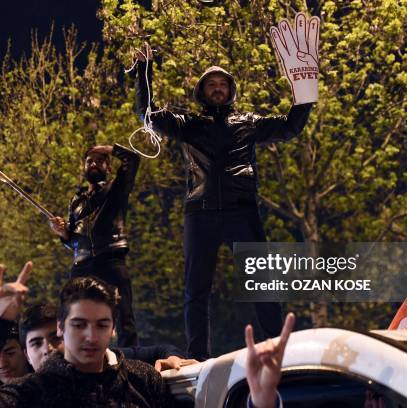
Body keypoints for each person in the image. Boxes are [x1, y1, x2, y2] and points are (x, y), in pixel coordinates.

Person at [133, 44, 312, 360]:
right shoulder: (189, 124)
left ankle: (278, 347)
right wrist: (145, 72)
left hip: (240, 210)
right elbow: (148, 115)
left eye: (222, 84)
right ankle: (197, 356)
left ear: (231, 91)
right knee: (195, 290)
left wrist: (306, 90)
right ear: (201, 92)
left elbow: (290, 126)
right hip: (199, 212)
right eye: (211, 84)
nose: (217, 88)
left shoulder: (248, 122)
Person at [0, 262, 295, 407]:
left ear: (113, 329)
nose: (90, 336)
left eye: (101, 325)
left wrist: (261, 401)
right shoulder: (32, 393)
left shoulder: (142, 381)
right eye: (79, 325)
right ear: (62, 330)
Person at [49, 143, 140, 347]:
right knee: (74, 314)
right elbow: (73, 241)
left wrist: (110, 148)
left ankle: (133, 364)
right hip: (81, 265)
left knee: (123, 317)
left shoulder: (116, 189)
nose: (93, 164)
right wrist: (63, 233)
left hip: (110, 259)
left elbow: (133, 159)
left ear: (108, 167)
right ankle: (77, 360)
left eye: (100, 161)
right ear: (83, 167)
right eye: (89, 160)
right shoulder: (76, 201)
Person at [20, 301, 194, 372]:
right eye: (36, 343)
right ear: (26, 355)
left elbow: (159, 350)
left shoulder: (111, 362)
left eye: (55, 338)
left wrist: (174, 359)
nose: (47, 349)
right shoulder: (20, 395)